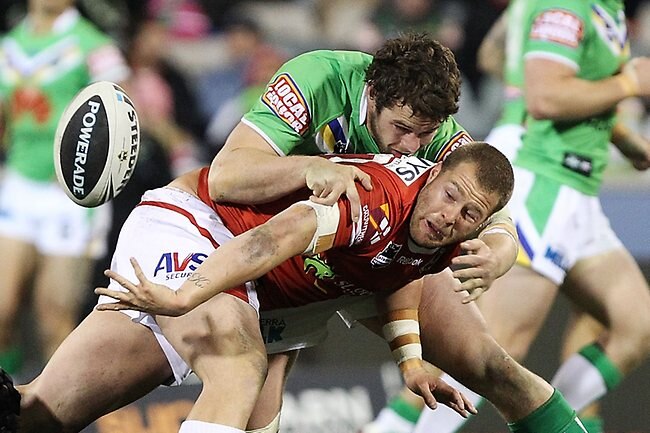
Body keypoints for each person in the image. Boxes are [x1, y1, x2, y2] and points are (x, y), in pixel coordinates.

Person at [5, 142, 515, 432]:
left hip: (242, 287)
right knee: (237, 367)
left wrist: (409, 359)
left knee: (36, 418)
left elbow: (400, 273)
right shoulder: (373, 199)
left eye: (470, 214)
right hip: (198, 227)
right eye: (450, 195)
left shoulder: (443, 238)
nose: (451, 216)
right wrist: (186, 295)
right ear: (432, 176)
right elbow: (270, 239)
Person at [367, 1, 650, 433]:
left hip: (577, 188)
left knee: (636, 322)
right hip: (542, 177)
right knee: (490, 351)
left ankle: (554, 423)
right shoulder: (567, 4)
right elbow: (545, 95)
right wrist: (629, 82)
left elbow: (498, 55)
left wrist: (620, 135)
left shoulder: (587, 6)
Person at [0, 0, 129, 375]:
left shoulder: (94, 45)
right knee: (1, 310)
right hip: (19, 185)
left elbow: (120, 111)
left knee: (54, 318)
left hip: (71, 196)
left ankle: (57, 416)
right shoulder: (9, 46)